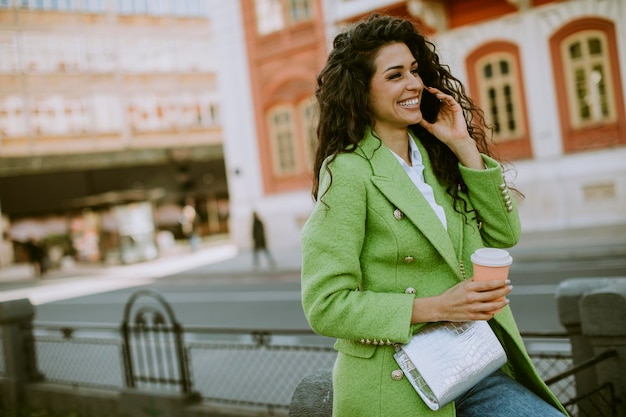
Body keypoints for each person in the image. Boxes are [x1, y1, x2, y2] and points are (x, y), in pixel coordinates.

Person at [300, 14, 566, 417]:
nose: (413, 84)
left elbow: (505, 233)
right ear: (361, 91)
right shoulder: (349, 172)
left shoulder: (434, 158)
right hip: (401, 380)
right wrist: (438, 306)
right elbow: (325, 305)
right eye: (394, 76)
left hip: (471, 366)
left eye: (413, 70)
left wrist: (462, 143)